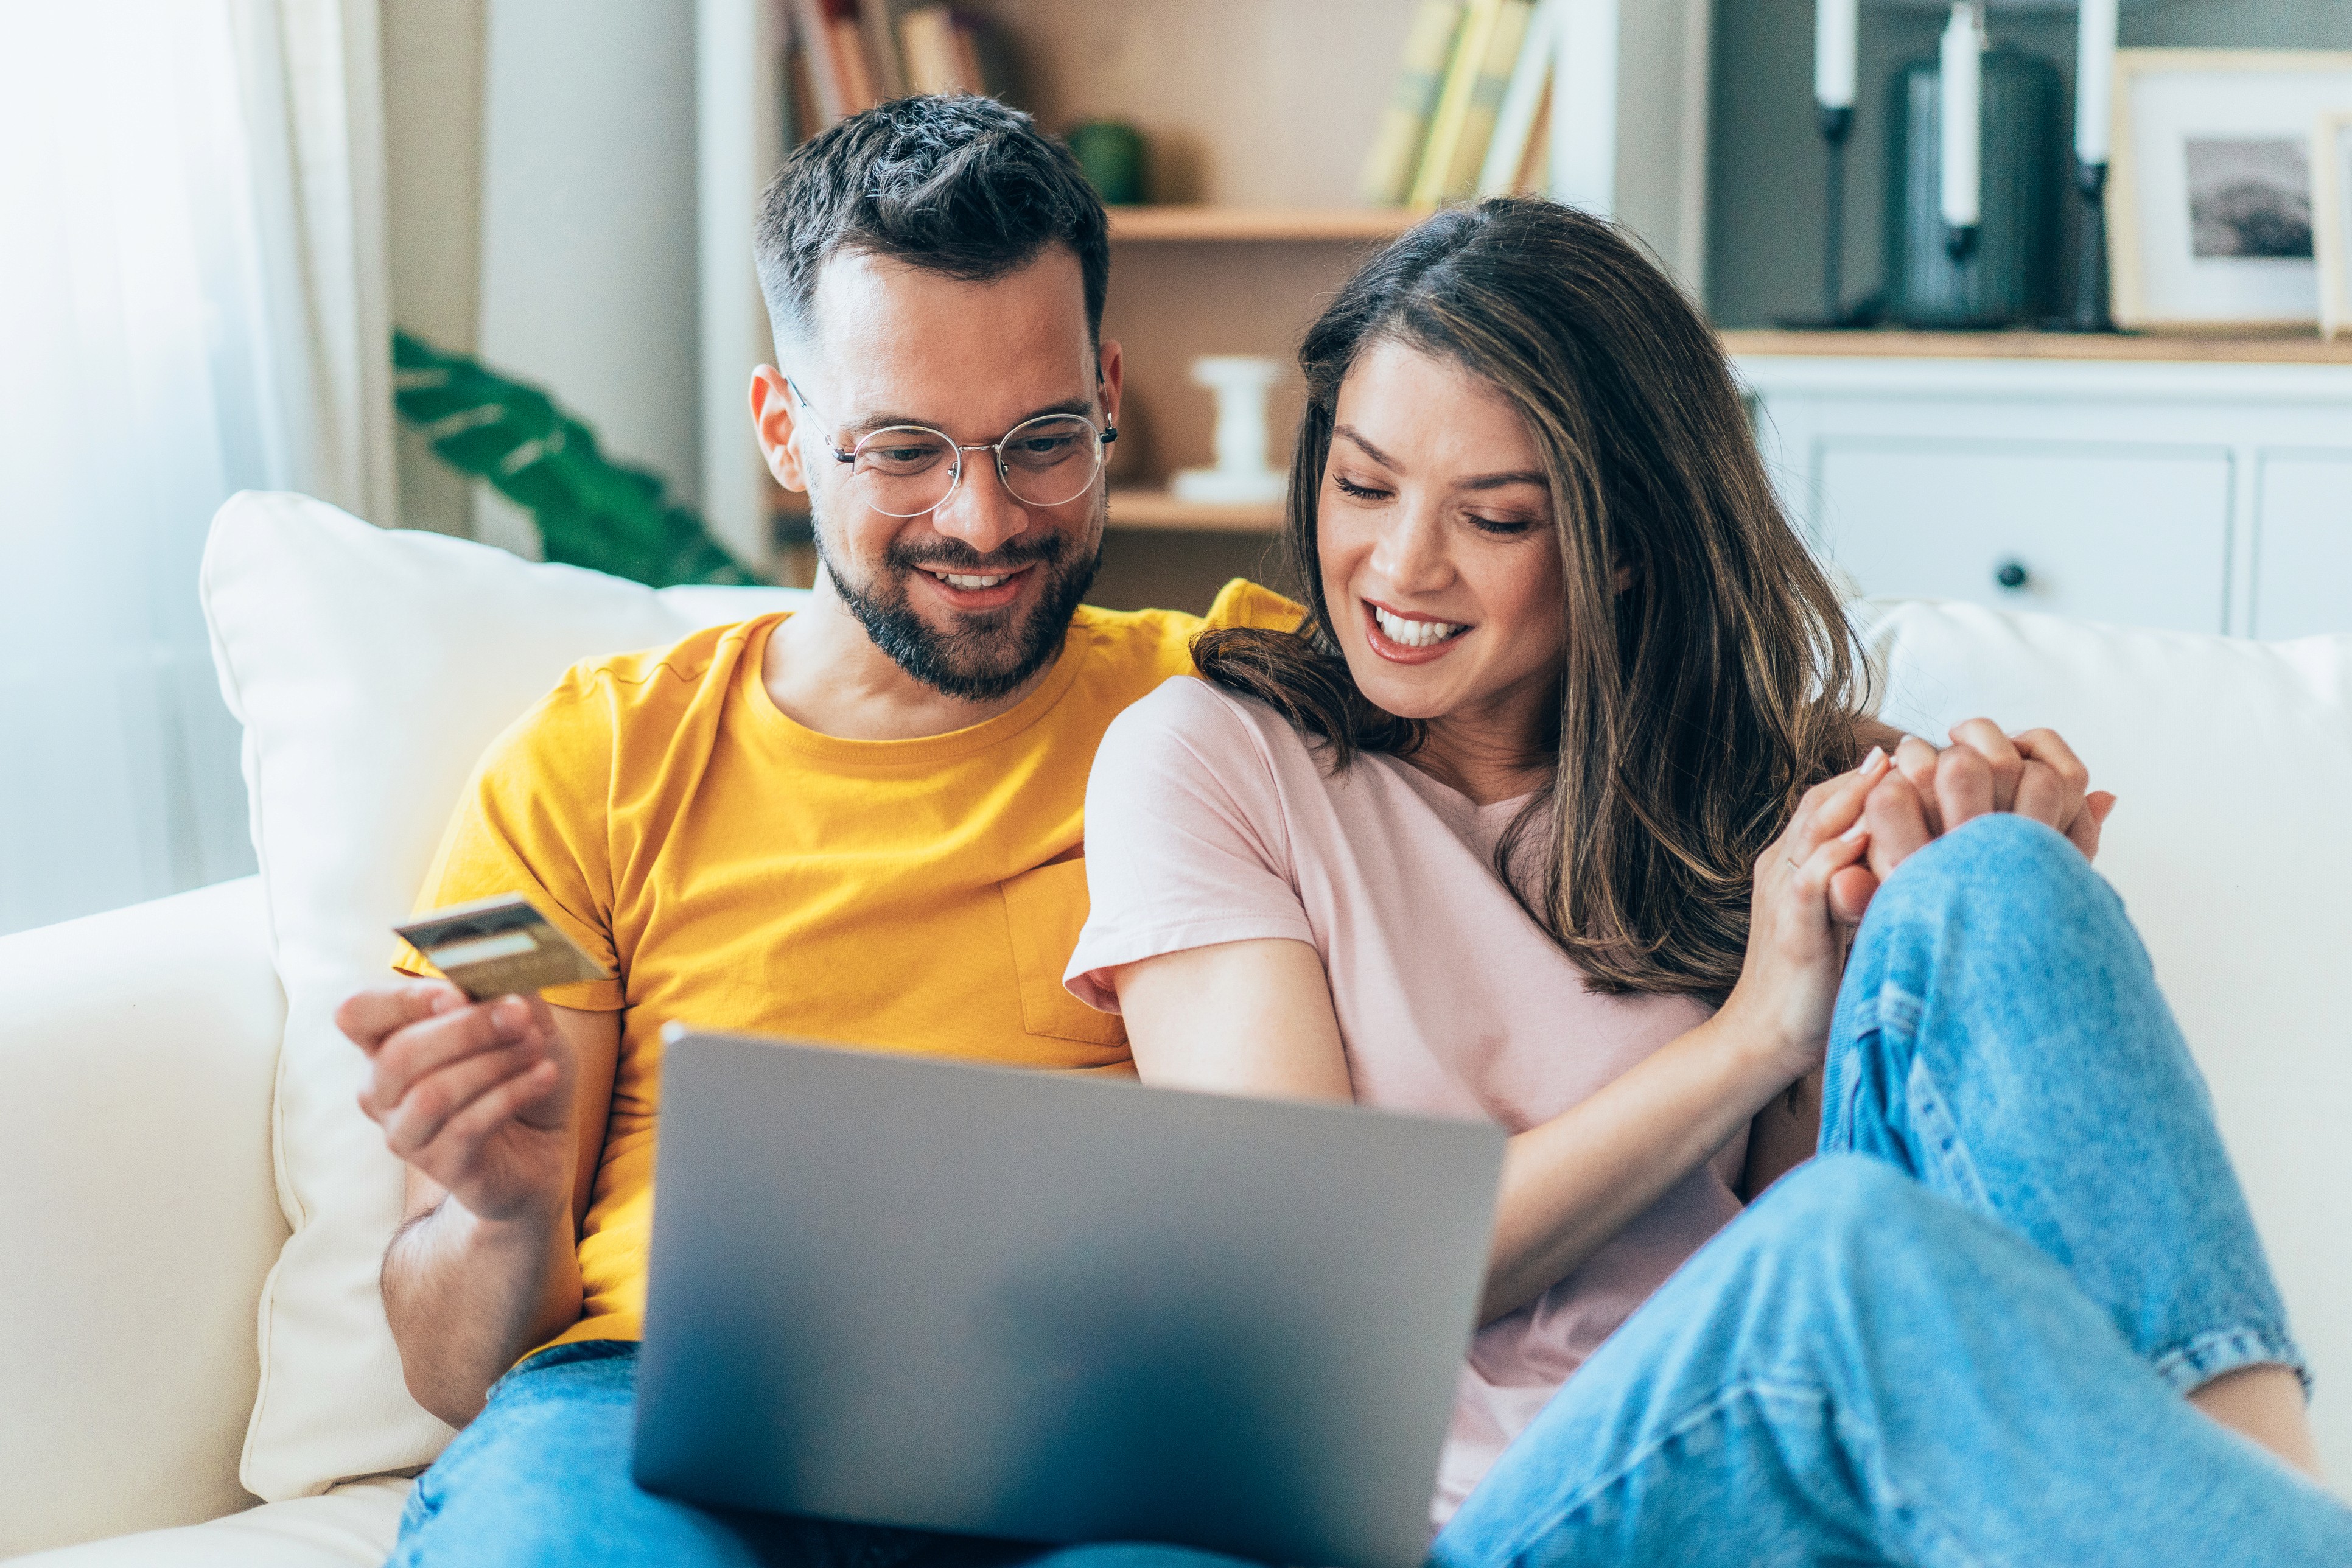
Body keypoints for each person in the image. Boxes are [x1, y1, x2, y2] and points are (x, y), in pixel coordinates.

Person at [1069, 197, 2352, 1564]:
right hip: (1477, 1523)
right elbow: (1326, 1269)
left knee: (1998, 889)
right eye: (1364, 485)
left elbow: (1822, 1178)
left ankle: (2267, 1507)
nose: (1399, 566)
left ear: (1621, 546)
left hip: (1786, 1483)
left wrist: (1955, 884)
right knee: (1845, 1256)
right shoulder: (1208, 763)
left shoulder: (1753, 793)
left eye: (1494, 518)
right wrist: (1754, 1033)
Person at [334, 96, 1297, 1566]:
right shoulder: (581, 763)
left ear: (1109, 398)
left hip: (1098, 1430)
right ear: (787, 434)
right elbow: (455, 1372)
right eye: (902, 450)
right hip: (643, 1419)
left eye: (1041, 440)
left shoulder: (1236, 696)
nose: (982, 520)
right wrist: (501, 1216)